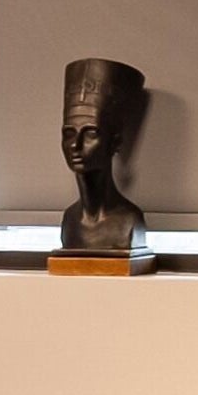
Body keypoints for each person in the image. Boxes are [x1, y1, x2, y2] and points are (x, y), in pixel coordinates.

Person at [57, 57, 150, 253]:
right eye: (69, 133)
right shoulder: (69, 220)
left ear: (114, 142)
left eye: (90, 133)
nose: (76, 145)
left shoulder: (129, 220)